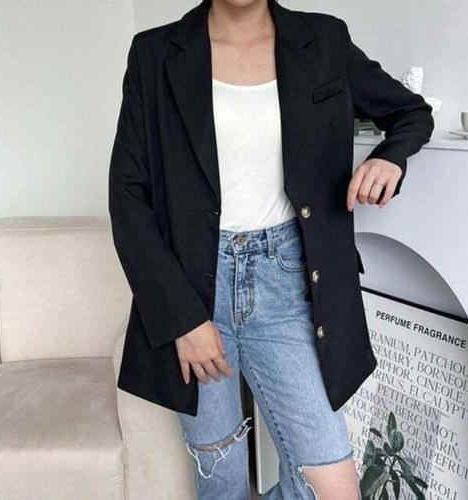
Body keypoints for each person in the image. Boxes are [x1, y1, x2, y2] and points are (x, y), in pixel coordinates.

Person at [108, 0, 434, 498]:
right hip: (193, 289)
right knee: (222, 481)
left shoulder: (323, 41)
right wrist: (181, 321)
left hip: (290, 282)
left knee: (334, 488)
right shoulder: (154, 53)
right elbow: (128, 196)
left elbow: (411, 112)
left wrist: (390, 158)